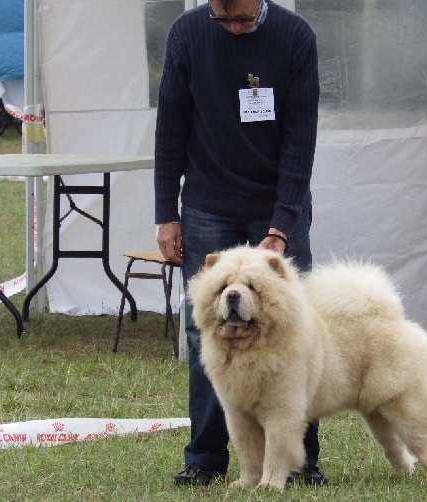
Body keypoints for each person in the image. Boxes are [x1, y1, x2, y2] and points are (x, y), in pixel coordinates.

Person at [154, 0, 324, 487]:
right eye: (221, 18)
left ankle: (300, 460)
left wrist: (283, 224)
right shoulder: (187, 34)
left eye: (242, 19)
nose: (232, 28)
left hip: (277, 198)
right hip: (208, 202)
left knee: (295, 329)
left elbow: (300, 138)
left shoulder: (295, 38)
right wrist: (167, 212)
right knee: (204, 331)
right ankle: (205, 459)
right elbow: (170, 128)